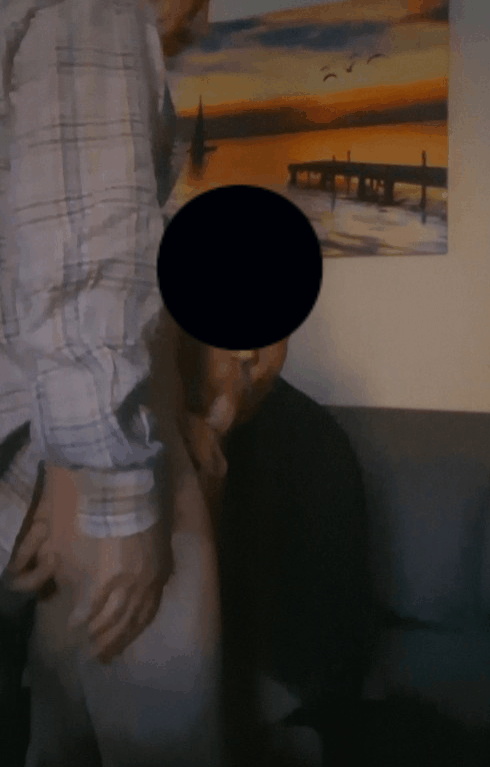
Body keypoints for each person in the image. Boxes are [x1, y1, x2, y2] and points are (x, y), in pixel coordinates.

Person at [0, 1, 224, 765]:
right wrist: (114, 495)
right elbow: (86, 261)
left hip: (56, 450)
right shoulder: (96, 9)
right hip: (92, 463)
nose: (204, 17)